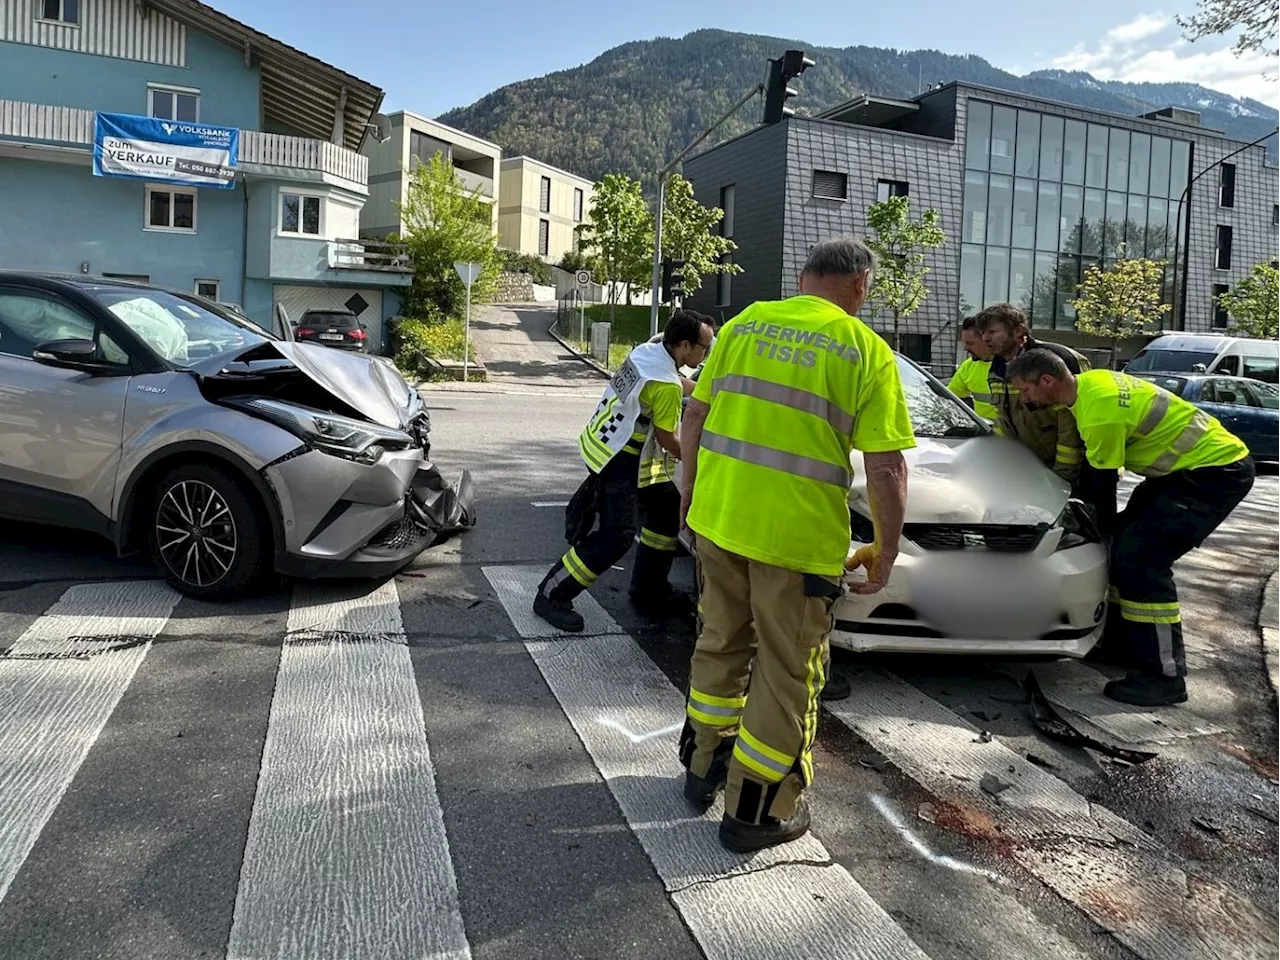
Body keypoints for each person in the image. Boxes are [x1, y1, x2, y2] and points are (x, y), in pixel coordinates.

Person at [677, 238, 913, 853]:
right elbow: (886, 470)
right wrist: (884, 552)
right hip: (797, 542)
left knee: (720, 642)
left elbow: (695, 418)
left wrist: (690, 499)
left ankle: (702, 769)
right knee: (787, 674)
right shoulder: (867, 351)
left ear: (804, 278)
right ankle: (758, 811)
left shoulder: (746, 322)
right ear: (861, 284)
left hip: (720, 521)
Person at [1007, 350, 1255, 707]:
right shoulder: (1092, 384)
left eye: (1026, 391)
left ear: (1047, 381)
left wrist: (1098, 529)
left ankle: (1163, 676)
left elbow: (1102, 483)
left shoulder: (1099, 414)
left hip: (1212, 476)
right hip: (1182, 473)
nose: (1025, 399)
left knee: (1141, 560)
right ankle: (1127, 646)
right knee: (1125, 548)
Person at [533, 310, 716, 633]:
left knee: (665, 508)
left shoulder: (649, 351)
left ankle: (650, 588)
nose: (706, 354)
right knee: (617, 536)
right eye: (705, 348)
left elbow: (676, 383)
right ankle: (552, 594)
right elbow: (668, 440)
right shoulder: (665, 386)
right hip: (619, 458)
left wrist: (707, 394)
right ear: (685, 345)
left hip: (604, 443)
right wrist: (701, 461)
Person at [976, 303, 1088, 485]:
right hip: (1031, 472)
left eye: (992, 332)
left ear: (1019, 331)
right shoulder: (996, 369)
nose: (985, 338)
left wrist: (1061, 479)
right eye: (982, 333)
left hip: (1071, 474)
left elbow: (1071, 426)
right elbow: (1005, 424)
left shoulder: (1057, 359)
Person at [947, 316, 1000, 424]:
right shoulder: (968, 366)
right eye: (965, 343)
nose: (965, 348)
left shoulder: (1012, 366)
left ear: (986, 340)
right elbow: (949, 399)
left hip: (1013, 439)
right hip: (985, 437)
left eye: (970, 343)